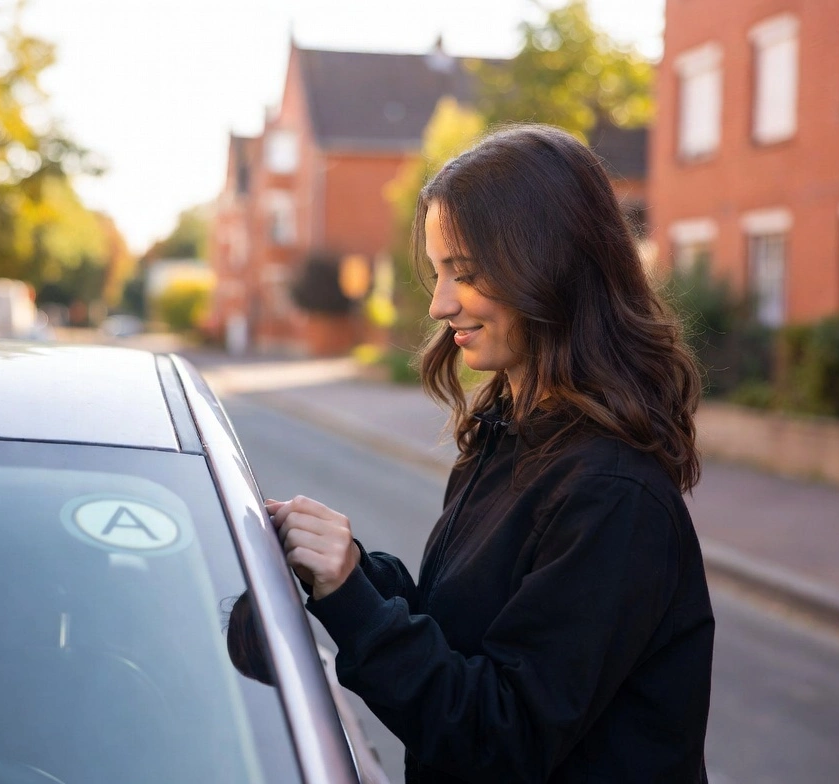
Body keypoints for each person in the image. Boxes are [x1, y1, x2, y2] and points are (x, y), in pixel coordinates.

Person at [265, 124, 715, 784]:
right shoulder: (507, 434)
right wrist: (354, 573)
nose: (442, 303)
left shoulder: (612, 495)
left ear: (549, 268)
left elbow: (500, 740)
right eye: (440, 271)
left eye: (466, 274)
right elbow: (464, 641)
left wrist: (353, 603)